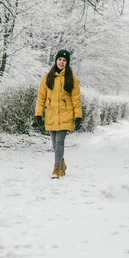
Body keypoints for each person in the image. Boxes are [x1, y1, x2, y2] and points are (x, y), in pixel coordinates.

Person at [35, 50, 82, 179]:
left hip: (65, 114)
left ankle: (56, 169)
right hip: (51, 114)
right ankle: (62, 164)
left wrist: (78, 116)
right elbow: (41, 97)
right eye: (60, 59)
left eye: (64, 60)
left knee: (59, 142)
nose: (62, 62)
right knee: (54, 144)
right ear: (56, 61)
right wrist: (38, 114)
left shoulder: (71, 79)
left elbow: (76, 99)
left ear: (67, 63)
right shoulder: (47, 77)